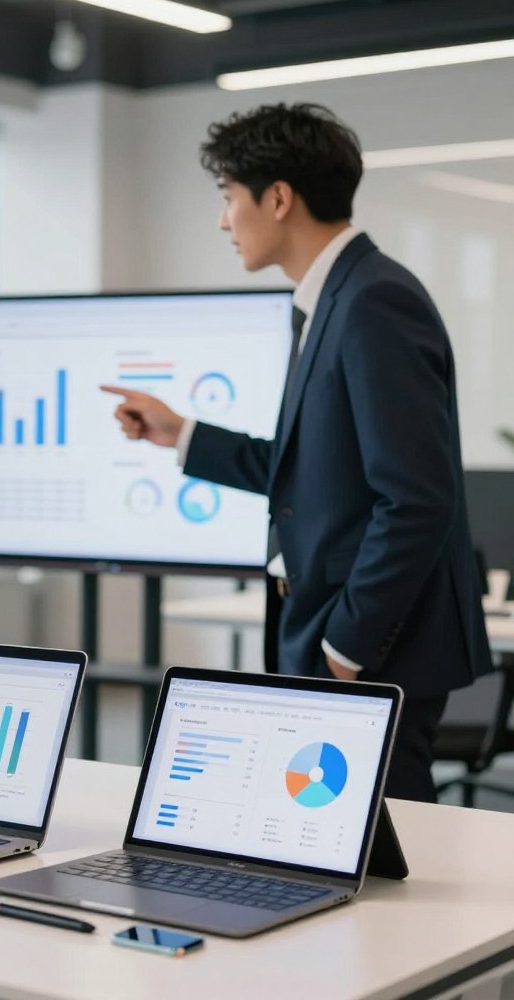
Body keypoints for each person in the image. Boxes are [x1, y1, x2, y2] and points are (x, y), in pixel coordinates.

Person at [103, 103, 491, 804]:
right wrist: (182, 434)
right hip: (337, 635)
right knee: (339, 861)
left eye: (228, 197)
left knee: (381, 879)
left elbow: (416, 498)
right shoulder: (333, 299)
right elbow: (313, 477)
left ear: (278, 198)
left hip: (373, 649)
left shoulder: (374, 301)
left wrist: (346, 648)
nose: (223, 221)